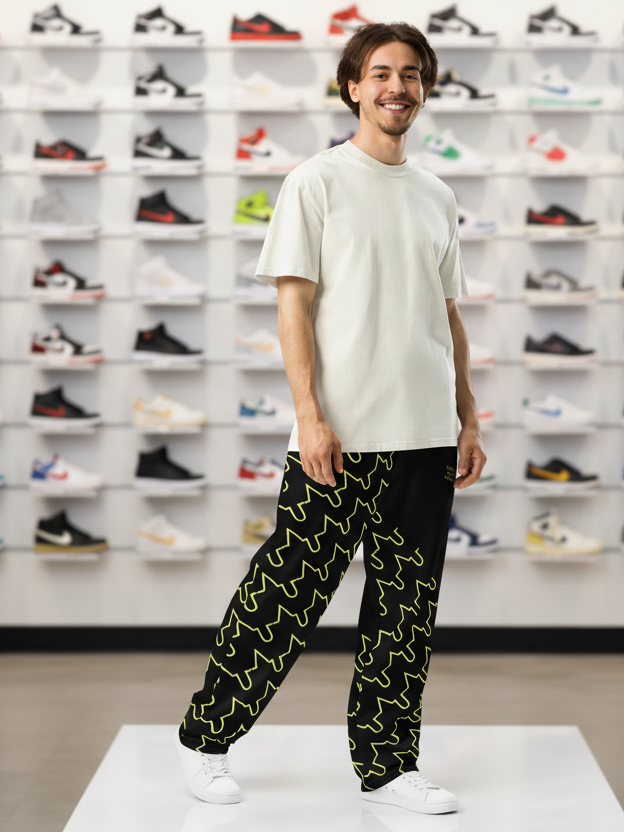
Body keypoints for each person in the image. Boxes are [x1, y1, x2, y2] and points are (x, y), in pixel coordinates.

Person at [176, 20, 485, 816]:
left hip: (423, 439)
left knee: (405, 607)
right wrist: (309, 417)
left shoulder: (437, 194)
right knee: (283, 597)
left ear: (425, 89)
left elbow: (447, 317)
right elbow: (294, 305)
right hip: (337, 440)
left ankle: (387, 765)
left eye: (411, 75)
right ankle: (208, 741)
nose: (397, 87)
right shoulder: (316, 181)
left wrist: (469, 418)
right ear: (353, 86)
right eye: (381, 73)